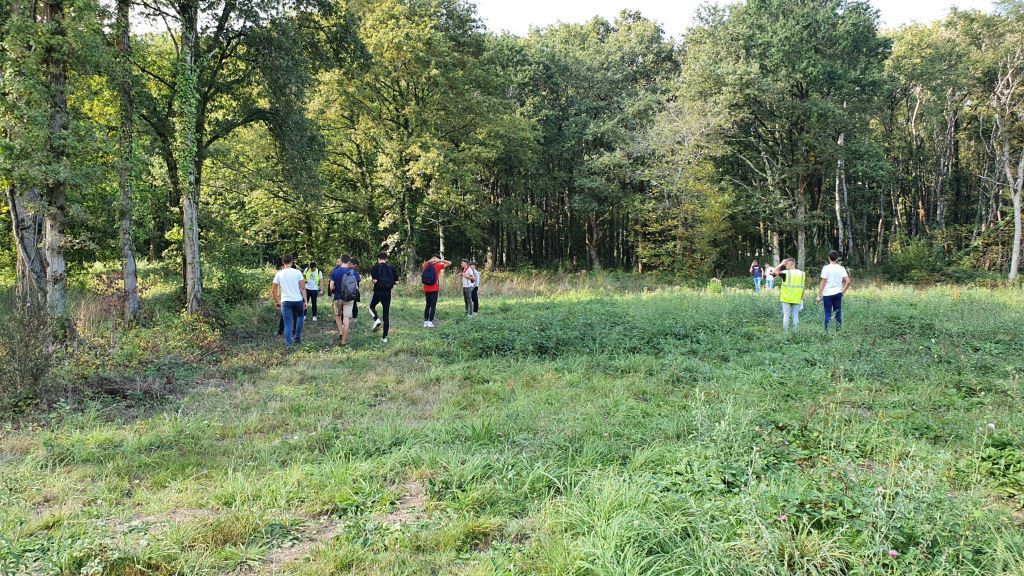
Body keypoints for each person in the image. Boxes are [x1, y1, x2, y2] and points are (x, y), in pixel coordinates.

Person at [271, 254, 307, 348]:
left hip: (285, 301)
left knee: (287, 323)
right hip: (298, 300)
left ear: (283, 262)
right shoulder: (297, 272)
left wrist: (277, 301)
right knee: (300, 317)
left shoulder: (279, 273)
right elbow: (303, 287)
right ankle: (297, 337)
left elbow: (273, 290)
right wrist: (306, 301)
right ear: (292, 262)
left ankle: (288, 345)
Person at [815, 250, 851, 331]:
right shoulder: (841, 268)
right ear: (837, 258)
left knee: (827, 313)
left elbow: (823, 283)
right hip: (838, 293)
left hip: (827, 294)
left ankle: (826, 331)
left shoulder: (826, 268)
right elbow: (848, 281)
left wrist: (819, 296)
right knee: (838, 313)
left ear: (829, 258)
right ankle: (838, 331)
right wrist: (842, 292)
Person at [369, 252, 398, 344]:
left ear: (378, 259)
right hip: (387, 293)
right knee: (386, 314)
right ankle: (384, 338)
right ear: (386, 259)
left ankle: (376, 319)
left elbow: (374, 281)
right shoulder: (392, 268)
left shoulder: (375, 267)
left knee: (371, 307)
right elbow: (397, 282)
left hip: (378, 292)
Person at [329, 254, 357, 345]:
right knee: (346, 318)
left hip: (338, 297)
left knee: (337, 316)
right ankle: (344, 341)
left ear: (341, 260)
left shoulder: (335, 272)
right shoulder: (353, 272)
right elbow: (355, 287)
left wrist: (335, 289)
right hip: (349, 298)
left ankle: (341, 333)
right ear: (349, 262)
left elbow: (331, 286)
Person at [772, 258, 806, 333]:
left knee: (786, 316)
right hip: (797, 298)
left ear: (790, 264)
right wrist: (801, 298)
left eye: (786, 264)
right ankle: (795, 333)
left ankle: (785, 333)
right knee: (795, 316)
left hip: (786, 298)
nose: (785, 265)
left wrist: (780, 264)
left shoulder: (785, 273)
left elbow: (773, 273)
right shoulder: (802, 274)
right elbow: (803, 287)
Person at [421, 255, 451, 328]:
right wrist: (440, 260)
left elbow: (423, 264)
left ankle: (425, 321)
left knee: (427, 305)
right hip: (434, 289)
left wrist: (431, 260)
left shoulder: (425, 265)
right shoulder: (438, 266)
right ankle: (430, 322)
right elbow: (449, 263)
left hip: (426, 289)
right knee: (433, 306)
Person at [349, 258, 361, 324]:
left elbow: (358, 282)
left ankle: (353, 318)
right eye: (355, 266)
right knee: (353, 304)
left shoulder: (354, 272)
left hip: (352, 290)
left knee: (353, 304)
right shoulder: (354, 272)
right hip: (353, 290)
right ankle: (353, 318)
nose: (355, 267)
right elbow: (358, 282)